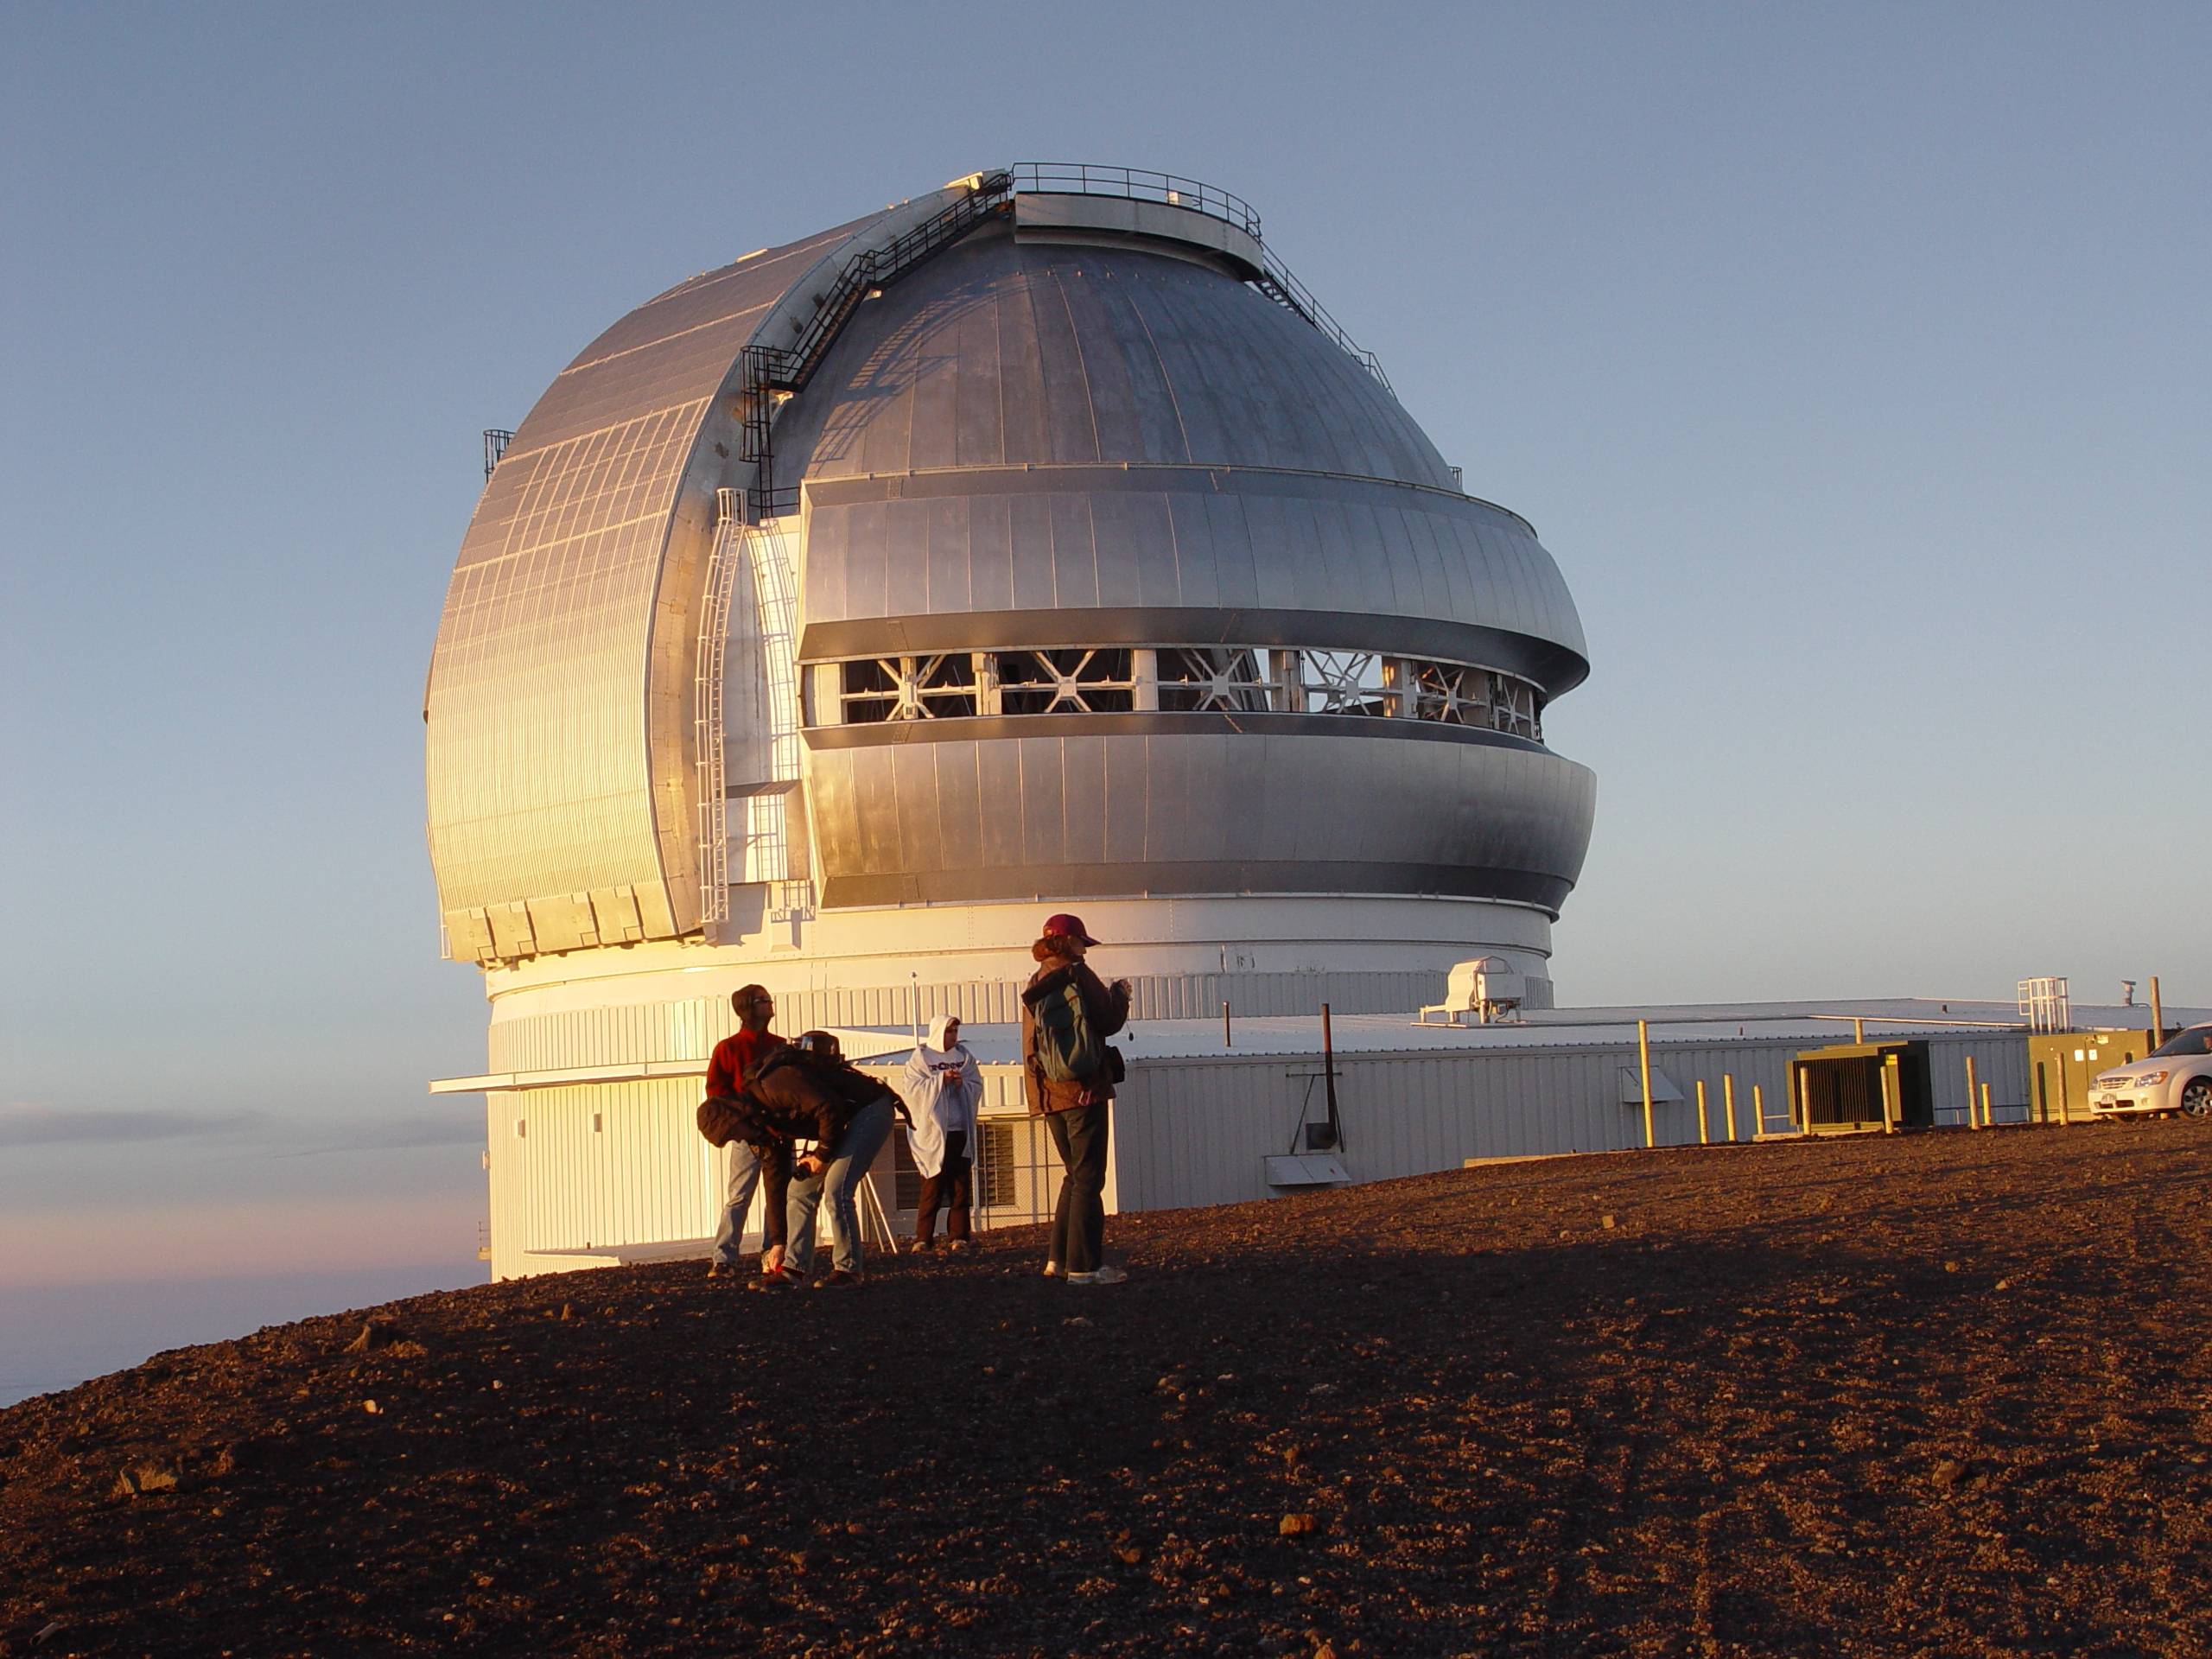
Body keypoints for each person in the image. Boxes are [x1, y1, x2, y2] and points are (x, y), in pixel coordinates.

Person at [1020, 912, 1131, 1285]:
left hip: (1049, 1093)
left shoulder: (1036, 982)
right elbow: (1108, 1021)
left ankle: (1058, 1259)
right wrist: (1121, 996)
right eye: (1083, 942)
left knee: (1074, 1175)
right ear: (1070, 943)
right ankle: (1086, 1267)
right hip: (1084, 1091)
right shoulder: (1077, 974)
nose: (1086, 949)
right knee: (1088, 1179)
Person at [753, 1033, 899, 1287]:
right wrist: (820, 1152)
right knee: (800, 1188)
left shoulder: (779, 1087)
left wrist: (821, 1154)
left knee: (838, 1189)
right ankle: (794, 1268)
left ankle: (849, 1269)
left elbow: (829, 1111)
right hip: (850, 1118)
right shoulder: (788, 1082)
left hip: (871, 1111)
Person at [702, 985, 785, 1281]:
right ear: (748, 1007)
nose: (770, 1004)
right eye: (764, 1000)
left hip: (777, 1132)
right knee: (740, 1196)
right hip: (749, 1135)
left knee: (776, 1196)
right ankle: (724, 1258)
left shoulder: (779, 1045)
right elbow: (716, 1092)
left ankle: (770, 1254)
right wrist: (743, 1121)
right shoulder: (728, 1049)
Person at [899, 1014, 984, 1251]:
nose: (953, 1036)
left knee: (960, 1187)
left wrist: (961, 1085)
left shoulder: (964, 1057)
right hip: (935, 1134)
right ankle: (923, 1238)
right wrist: (939, 1081)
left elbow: (975, 1084)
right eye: (949, 1032)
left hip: (959, 1130)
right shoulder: (922, 1057)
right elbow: (912, 1090)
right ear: (938, 1032)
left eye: (956, 1031)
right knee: (932, 1187)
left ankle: (959, 1236)